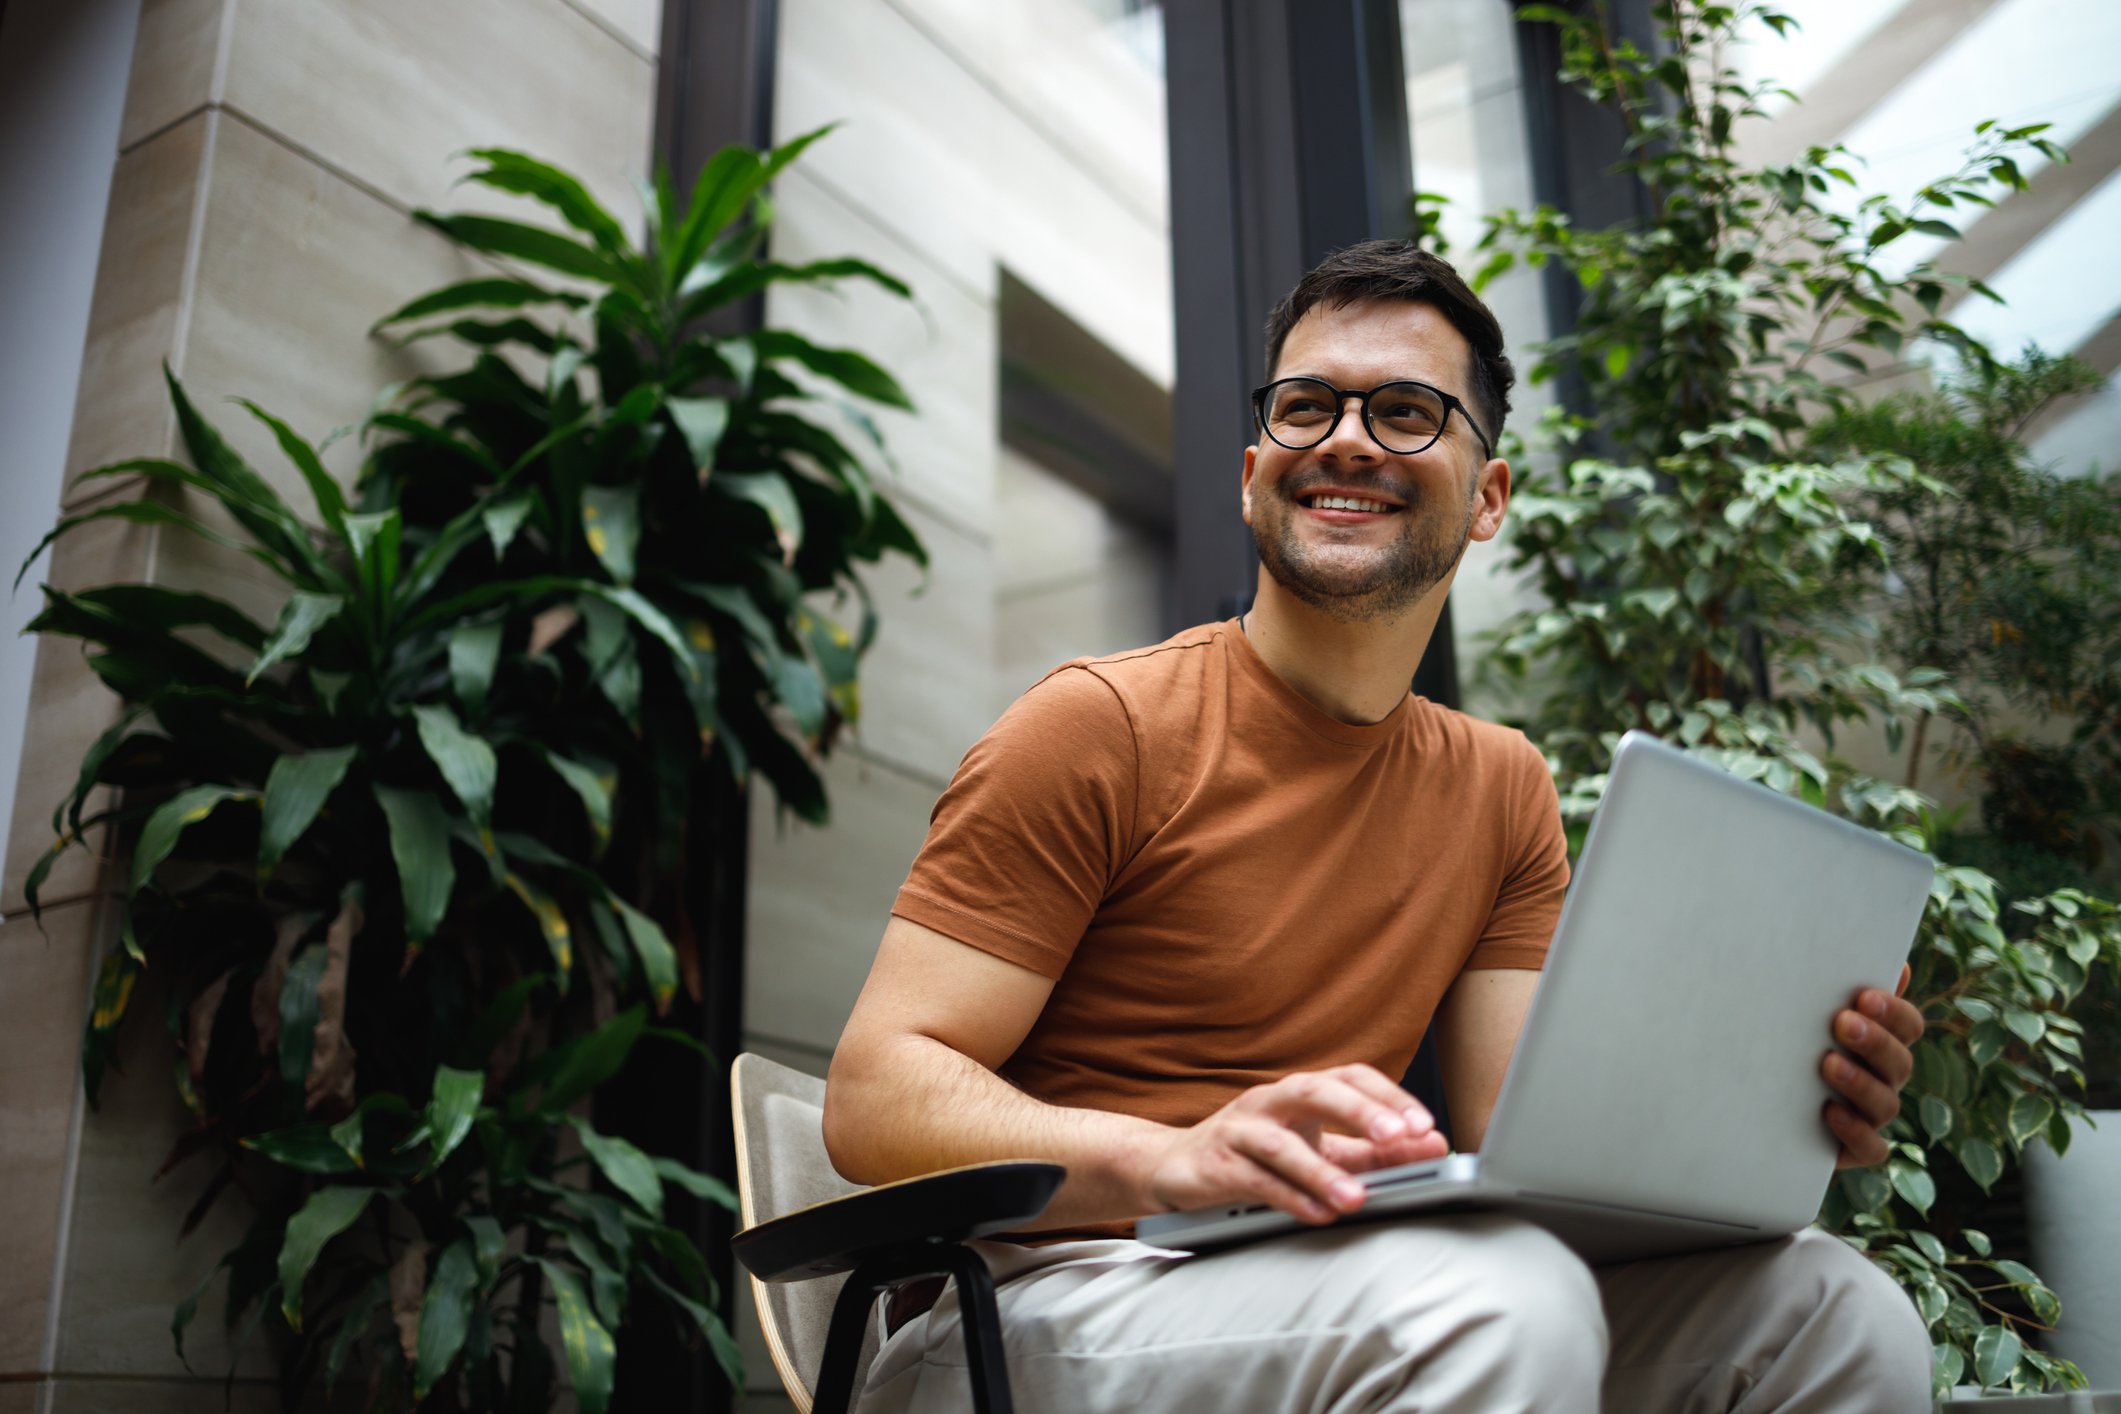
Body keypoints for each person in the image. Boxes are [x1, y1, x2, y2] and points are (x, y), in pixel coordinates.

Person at [824, 241, 1932, 1412]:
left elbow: (1531, 1159)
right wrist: (1173, 1158)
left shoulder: (1500, 787)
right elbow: (874, 1093)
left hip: (1329, 1284)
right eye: (1308, 408)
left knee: (1834, 1311)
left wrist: (1770, 1114)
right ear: (1255, 475)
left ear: (1490, 497)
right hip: (1033, 1304)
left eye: (1407, 412)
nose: (1347, 439)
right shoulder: (1100, 724)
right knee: (1495, 1301)